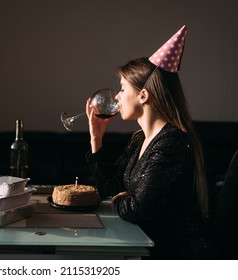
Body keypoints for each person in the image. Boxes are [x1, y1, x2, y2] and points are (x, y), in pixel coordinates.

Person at [85, 26, 214, 259]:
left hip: (174, 256)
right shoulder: (139, 139)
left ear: (143, 95)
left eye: (123, 88)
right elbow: (110, 186)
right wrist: (97, 138)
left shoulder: (172, 143)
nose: (116, 96)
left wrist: (119, 198)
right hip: (144, 244)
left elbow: (137, 210)